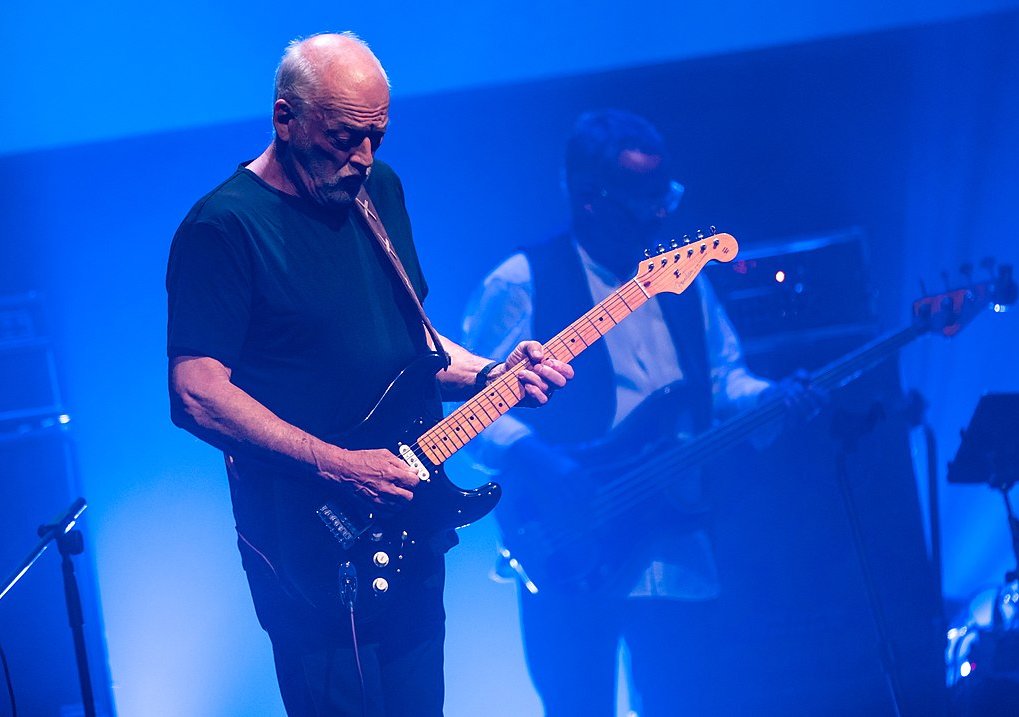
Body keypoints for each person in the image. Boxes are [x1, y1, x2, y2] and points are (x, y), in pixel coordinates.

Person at [165, 32, 572, 717]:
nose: (362, 157)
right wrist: (338, 465)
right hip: (312, 541)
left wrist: (492, 373)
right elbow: (196, 394)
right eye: (344, 137)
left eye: (376, 136)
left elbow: (410, 338)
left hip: (410, 515)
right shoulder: (224, 226)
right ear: (285, 118)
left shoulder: (377, 189)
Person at [461, 110, 816, 716]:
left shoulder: (679, 280)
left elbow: (723, 378)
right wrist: (544, 463)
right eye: (642, 197)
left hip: (676, 547)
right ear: (591, 198)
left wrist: (771, 399)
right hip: (570, 546)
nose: (661, 213)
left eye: (664, 194)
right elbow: (474, 406)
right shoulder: (523, 280)